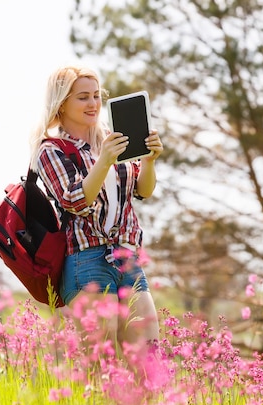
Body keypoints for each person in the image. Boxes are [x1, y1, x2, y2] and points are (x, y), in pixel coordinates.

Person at [29, 65, 162, 353]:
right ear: (62, 103)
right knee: (102, 362)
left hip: (128, 257)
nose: (93, 104)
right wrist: (104, 160)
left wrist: (149, 160)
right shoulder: (51, 149)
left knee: (149, 354)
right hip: (87, 261)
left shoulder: (112, 140)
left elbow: (144, 190)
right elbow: (75, 200)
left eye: (96, 96)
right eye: (82, 97)